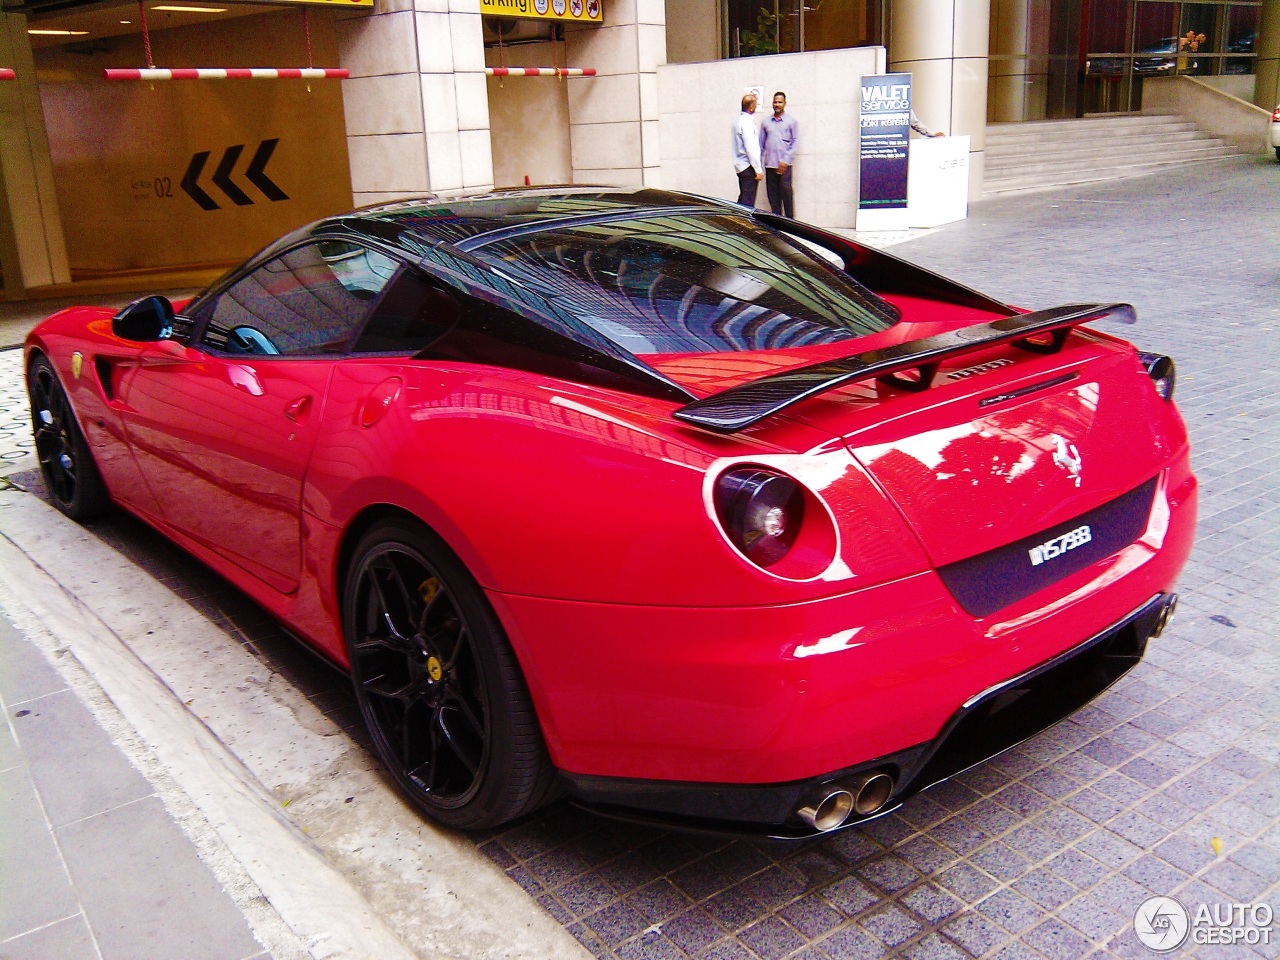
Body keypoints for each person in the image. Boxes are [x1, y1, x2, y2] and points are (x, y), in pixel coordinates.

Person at [760, 91, 798, 218]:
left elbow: (795, 142)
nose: (777, 104)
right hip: (770, 165)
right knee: (773, 196)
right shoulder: (766, 122)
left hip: (784, 166)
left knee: (786, 194)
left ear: (784, 103)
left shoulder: (791, 122)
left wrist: (785, 160)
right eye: (775, 102)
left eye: (780, 102)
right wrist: (758, 166)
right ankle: (778, 223)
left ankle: (790, 223)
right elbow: (761, 145)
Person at [731, 93, 764, 207]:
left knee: (744, 198)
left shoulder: (737, 121)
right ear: (751, 107)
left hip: (741, 166)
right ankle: (742, 223)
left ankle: (737, 220)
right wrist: (758, 169)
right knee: (747, 202)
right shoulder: (747, 123)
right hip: (748, 166)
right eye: (755, 104)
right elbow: (751, 148)